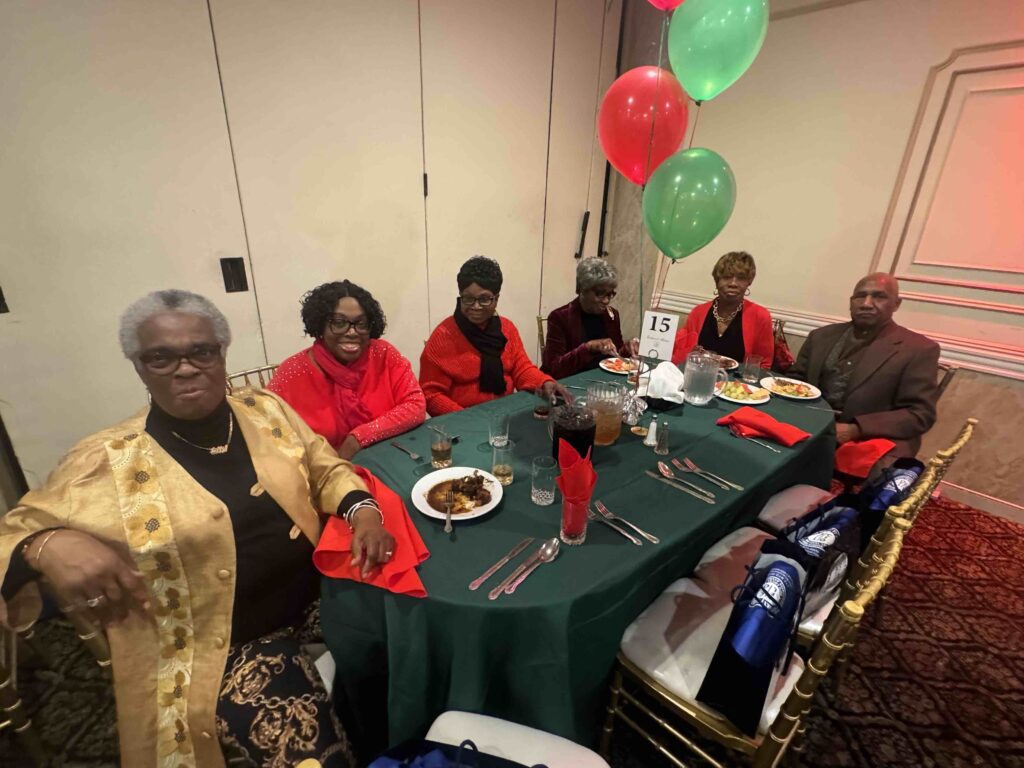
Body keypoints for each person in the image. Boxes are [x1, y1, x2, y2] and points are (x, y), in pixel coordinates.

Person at [0, 290, 396, 768]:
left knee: (416, 641)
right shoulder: (104, 459)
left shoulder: (266, 410)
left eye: (201, 352)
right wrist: (46, 545)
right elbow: (10, 536)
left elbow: (324, 467)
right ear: (139, 366)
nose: (185, 369)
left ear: (221, 354)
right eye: (161, 357)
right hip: (226, 644)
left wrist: (362, 510)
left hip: (322, 594)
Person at [268, 280, 426, 460]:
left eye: (361, 323)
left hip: (389, 459)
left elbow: (416, 405)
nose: (352, 332)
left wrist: (357, 439)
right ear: (320, 325)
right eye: (339, 323)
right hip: (324, 471)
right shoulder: (292, 372)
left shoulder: (383, 354)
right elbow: (268, 433)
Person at [789, 273, 939, 457]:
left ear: (896, 304)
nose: (866, 303)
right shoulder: (820, 336)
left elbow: (920, 414)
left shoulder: (918, 349)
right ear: (851, 302)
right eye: (860, 296)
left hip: (864, 442)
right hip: (807, 428)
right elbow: (795, 380)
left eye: (879, 296)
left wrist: (856, 429)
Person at [419, 255, 571, 415]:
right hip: (462, 420)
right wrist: (466, 418)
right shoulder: (442, 337)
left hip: (505, 413)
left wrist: (544, 382)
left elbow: (521, 369)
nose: (476, 306)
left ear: (496, 299)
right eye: (468, 298)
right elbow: (431, 394)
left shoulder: (507, 329)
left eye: (484, 299)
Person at [541, 257, 639, 378]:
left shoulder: (612, 315)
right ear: (582, 289)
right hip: (572, 382)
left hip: (602, 381)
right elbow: (554, 369)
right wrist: (588, 348)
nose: (606, 300)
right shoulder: (560, 317)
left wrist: (627, 350)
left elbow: (615, 357)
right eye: (600, 293)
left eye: (610, 294)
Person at [671, 251, 774, 366]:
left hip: (739, 378)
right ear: (717, 281)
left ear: (748, 282)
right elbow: (681, 354)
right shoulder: (698, 313)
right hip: (699, 374)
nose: (733, 283)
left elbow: (763, 363)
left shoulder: (760, 316)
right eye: (726, 277)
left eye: (741, 278)